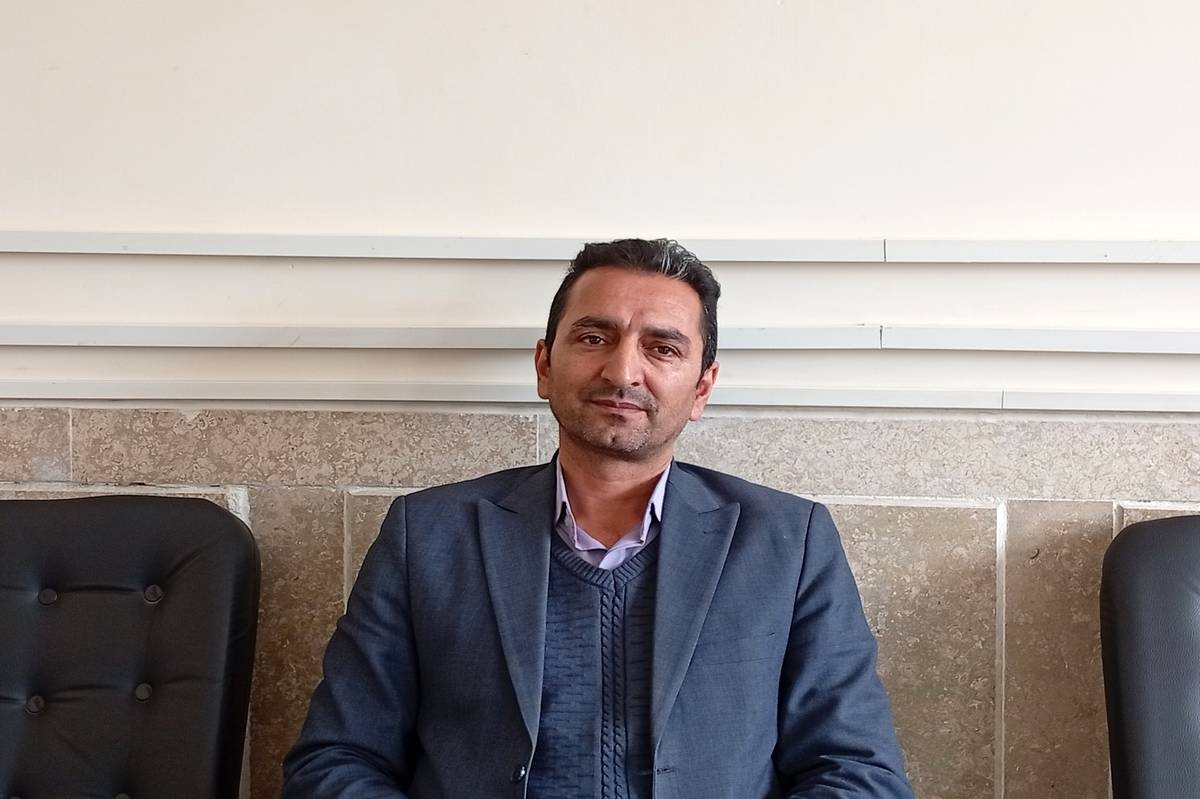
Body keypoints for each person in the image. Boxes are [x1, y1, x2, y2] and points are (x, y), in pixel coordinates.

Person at [282, 238, 914, 798]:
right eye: (594, 338)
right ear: (544, 365)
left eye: (662, 348)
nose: (622, 371)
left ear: (701, 388)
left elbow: (858, 772)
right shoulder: (428, 535)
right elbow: (336, 760)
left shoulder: (788, 542)